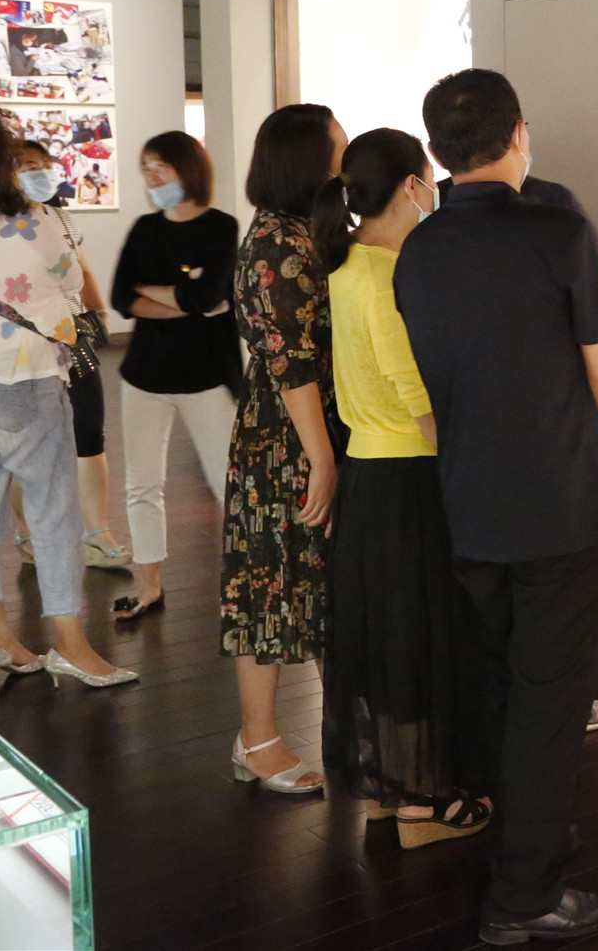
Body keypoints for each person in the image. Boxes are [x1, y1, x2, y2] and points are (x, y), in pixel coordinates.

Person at [396, 70, 598, 943]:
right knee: (552, 698)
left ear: (436, 151)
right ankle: (525, 895)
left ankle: (528, 843)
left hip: (469, 496)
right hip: (561, 504)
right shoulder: (557, 231)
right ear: (520, 132)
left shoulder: (419, 248)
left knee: (504, 683)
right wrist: (562, 443)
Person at [0, 105, 135, 690]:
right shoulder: (35, 222)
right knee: (53, 511)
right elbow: (72, 283)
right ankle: (71, 644)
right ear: (2, 160)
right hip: (23, 385)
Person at [314, 127, 491, 850]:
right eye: (428, 177)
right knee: (423, 638)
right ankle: (425, 806)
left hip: (368, 473)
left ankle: (388, 796)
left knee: (386, 641)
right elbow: (416, 393)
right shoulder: (387, 274)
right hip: (411, 476)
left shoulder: (347, 263)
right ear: (413, 186)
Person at [222, 103, 347, 795]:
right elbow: (292, 364)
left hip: (309, 429)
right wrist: (321, 459)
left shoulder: (302, 232)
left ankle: (344, 731)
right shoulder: (278, 243)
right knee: (267, 582)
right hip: (288, 438)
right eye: (338, 148)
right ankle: (259, 738)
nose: (345, 162)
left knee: (318, 581)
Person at [108, 131, 240, 620]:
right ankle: (149, 585)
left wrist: (157, 292)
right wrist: (185, 300)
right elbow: (121, 297)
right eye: (145, 167)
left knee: (228, 483)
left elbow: (208, 298)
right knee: (142, 484)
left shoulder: (221, 227)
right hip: (145, 374)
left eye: (160, 165)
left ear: (188, 168)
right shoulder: (145, 228)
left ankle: (246, 580)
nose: (151, 176)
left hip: (207, 376)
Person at [10, 140, 128, 572]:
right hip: (25, 343)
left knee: (89, 432)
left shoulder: (60, 216)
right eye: (29, 166)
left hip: (73, 338)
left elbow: (85, 270)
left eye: (45, 165)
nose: (40, 173)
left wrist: (99, 314)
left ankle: (97, 532)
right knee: (28, 444)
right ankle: (27, 532)